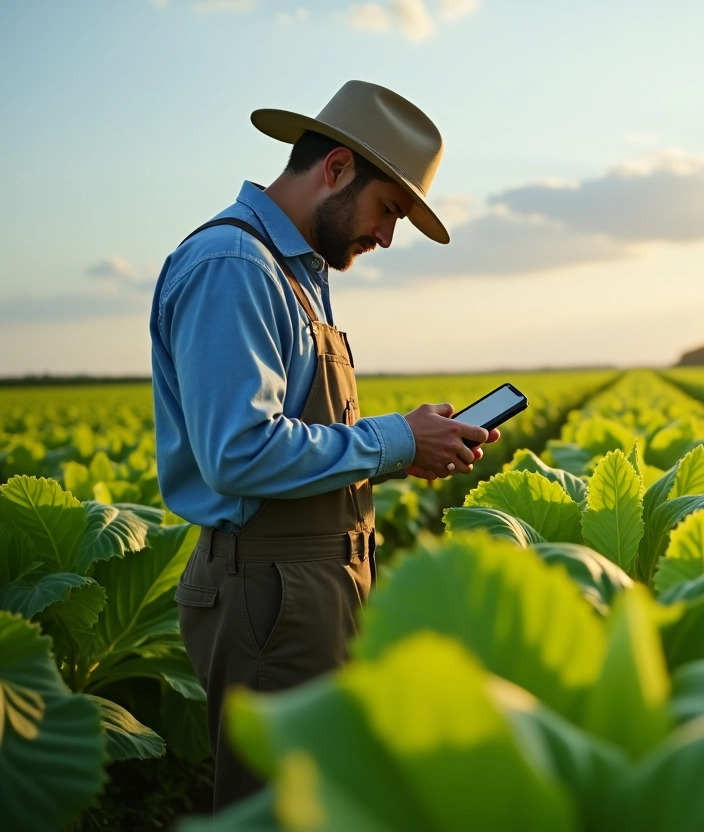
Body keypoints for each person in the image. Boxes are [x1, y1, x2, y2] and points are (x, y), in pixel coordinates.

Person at [149, 80, 498, 812]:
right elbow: (239, 452)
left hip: (307, 588)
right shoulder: (235, 267)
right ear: (336, 168)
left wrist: (415, 444)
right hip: (269, 595)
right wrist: (396, 439)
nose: (386, 236)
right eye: (388, 210)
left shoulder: (294, 272)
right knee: (283, 810)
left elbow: (298, 442)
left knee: (324, 807)